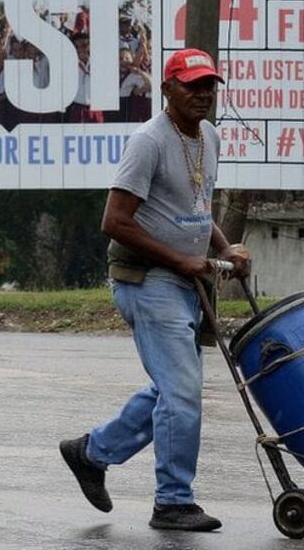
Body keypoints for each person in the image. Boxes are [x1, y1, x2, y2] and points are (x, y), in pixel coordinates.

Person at [59, 48, 249, 532]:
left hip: (189, 278)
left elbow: (198, 210)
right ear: (167, 90)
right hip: (147, 280)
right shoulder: (148, 142)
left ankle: (91, 452)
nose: (202, 94)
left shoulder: (209, 136)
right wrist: (180, 259)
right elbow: (115, 221)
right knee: (183, 390)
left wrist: (230, 251)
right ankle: (173, 501)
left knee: (173, 388)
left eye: (209, 85)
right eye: (191, 85)